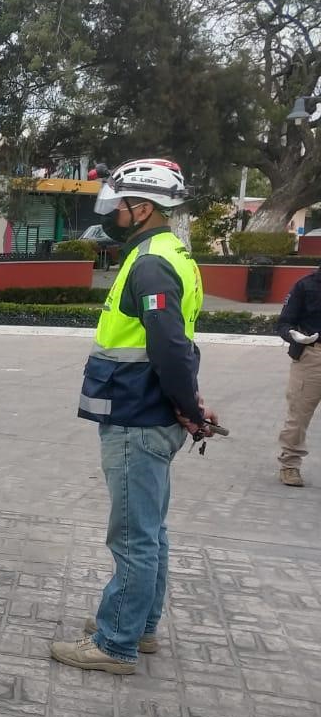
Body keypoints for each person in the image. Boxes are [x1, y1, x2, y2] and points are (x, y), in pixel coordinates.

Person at [53, 158, 219, 675]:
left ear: (142, 207)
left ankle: (116, 642)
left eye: (121, 205)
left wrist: (188, 407)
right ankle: (138, 625)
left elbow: (169, 346)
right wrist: (188, 407)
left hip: (137, 415)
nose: (115, 213)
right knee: (150, 530)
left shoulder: (150, 263)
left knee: (132, 536)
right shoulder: (171, 255)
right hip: (150, 410)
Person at [274, 263, 321, 487]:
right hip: (313, 357)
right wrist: (294, 336)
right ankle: (290, 465)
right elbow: (284, 322)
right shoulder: (305, 286)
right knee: (299, 414)